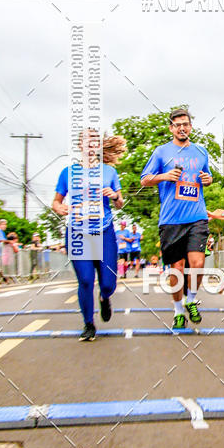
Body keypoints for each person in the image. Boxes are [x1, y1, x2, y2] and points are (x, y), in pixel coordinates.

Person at [140, 107, 212, 330]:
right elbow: (144, 179)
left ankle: (191, 300)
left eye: (186, 124)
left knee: (198, 263)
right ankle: (178, 310)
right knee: (177, 269)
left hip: (197, 216)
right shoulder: (161, 152)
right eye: (177, 124)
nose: (182, 128)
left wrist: (208, 179)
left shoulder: (201, 152)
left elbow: (206, 175)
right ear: (171, 128)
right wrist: (164, 176)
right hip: (171, 219)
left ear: (191, 127)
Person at [52, 131, 126, 341]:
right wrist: (61, 208)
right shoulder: (68, 173)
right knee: (85, 280)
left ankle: (104, 298)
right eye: (87, 142)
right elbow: (56, 202)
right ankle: (88, 325)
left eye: (95, 142)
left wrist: (115, 196)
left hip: (103, 232)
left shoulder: (109, 172)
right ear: (80, 145)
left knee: (108, 284)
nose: (91, 145)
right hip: (77, 233)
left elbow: (120, 202)